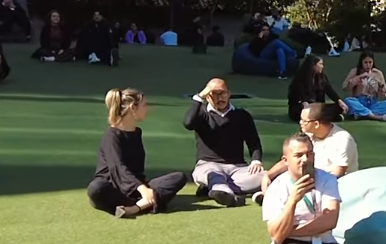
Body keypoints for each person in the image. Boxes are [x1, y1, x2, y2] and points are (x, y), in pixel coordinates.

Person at [262, 132, 368, 244]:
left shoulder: (327, 180)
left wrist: (292, 230)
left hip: (324, 243)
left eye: (309, 154)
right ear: (285, 160)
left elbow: (330, 220)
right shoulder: (276, 188)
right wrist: (293, 200)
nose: (305, 159)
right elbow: (277, 235)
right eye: (298, 155)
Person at [90, 88, 189, 218]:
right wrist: (142, 189)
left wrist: (143, 188)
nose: (147, 109)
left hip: (135, 189)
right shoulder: (112, 136)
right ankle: (147, 203)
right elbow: (118, 168)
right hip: (113, 188)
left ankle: (135, 208)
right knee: (96, 188)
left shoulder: (136, 132)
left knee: (178, 177)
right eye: (144, 105)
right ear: (133, 108)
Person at [184, 78, 267, 206]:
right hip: (208, 165)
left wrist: (256, 160)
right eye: (214, 94)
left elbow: (253, 142)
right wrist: (199, 97)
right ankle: (226, 194)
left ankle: (214, 188)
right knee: (214, 176)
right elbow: (188, 123)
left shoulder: (242, 115)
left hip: (238, 169)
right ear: (207, 97)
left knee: (266, 176)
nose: (219, 98)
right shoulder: (201, 114)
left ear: (229, 94)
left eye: (222, 93)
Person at [285, 54, 348, 124]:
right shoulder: (301, 79)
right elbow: (303, 98)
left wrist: (339, 101)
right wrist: (307, 107)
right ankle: (326, 117)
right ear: (313, 66)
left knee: (339, 107)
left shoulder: (322, 77)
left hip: (317, 107)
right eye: (320, 64)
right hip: (302, 107)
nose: (322, 66)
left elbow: (329, 90)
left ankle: (319, 117)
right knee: (306, 111)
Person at [340, 52, 386, 121]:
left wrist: (381, 85)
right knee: (348, 101)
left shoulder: (378, 73)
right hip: (359, 102)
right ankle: (375, 117)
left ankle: (362, 114)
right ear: (361, 62)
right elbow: (345, 87)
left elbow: (385, 96)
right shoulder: (355, 71)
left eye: (370, 62)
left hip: (373, 103)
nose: (368, 65)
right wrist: (358, 78)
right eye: (365, 62)